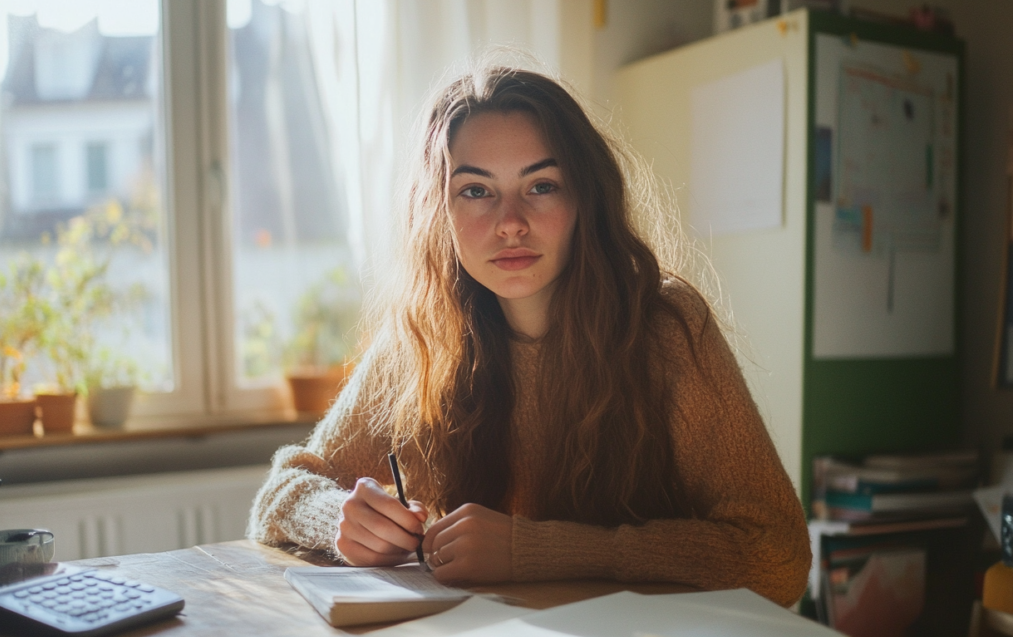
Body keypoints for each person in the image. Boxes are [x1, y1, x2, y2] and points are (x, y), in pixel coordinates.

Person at [248, 66, 811, 607]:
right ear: (437, 211)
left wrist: (535, 550)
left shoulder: (663, 327)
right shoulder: (421, 337)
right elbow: (280, 493)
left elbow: (778, 556)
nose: (510, 221)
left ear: (584, 201)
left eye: (541, 186)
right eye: (475, 191)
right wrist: (338, 518)